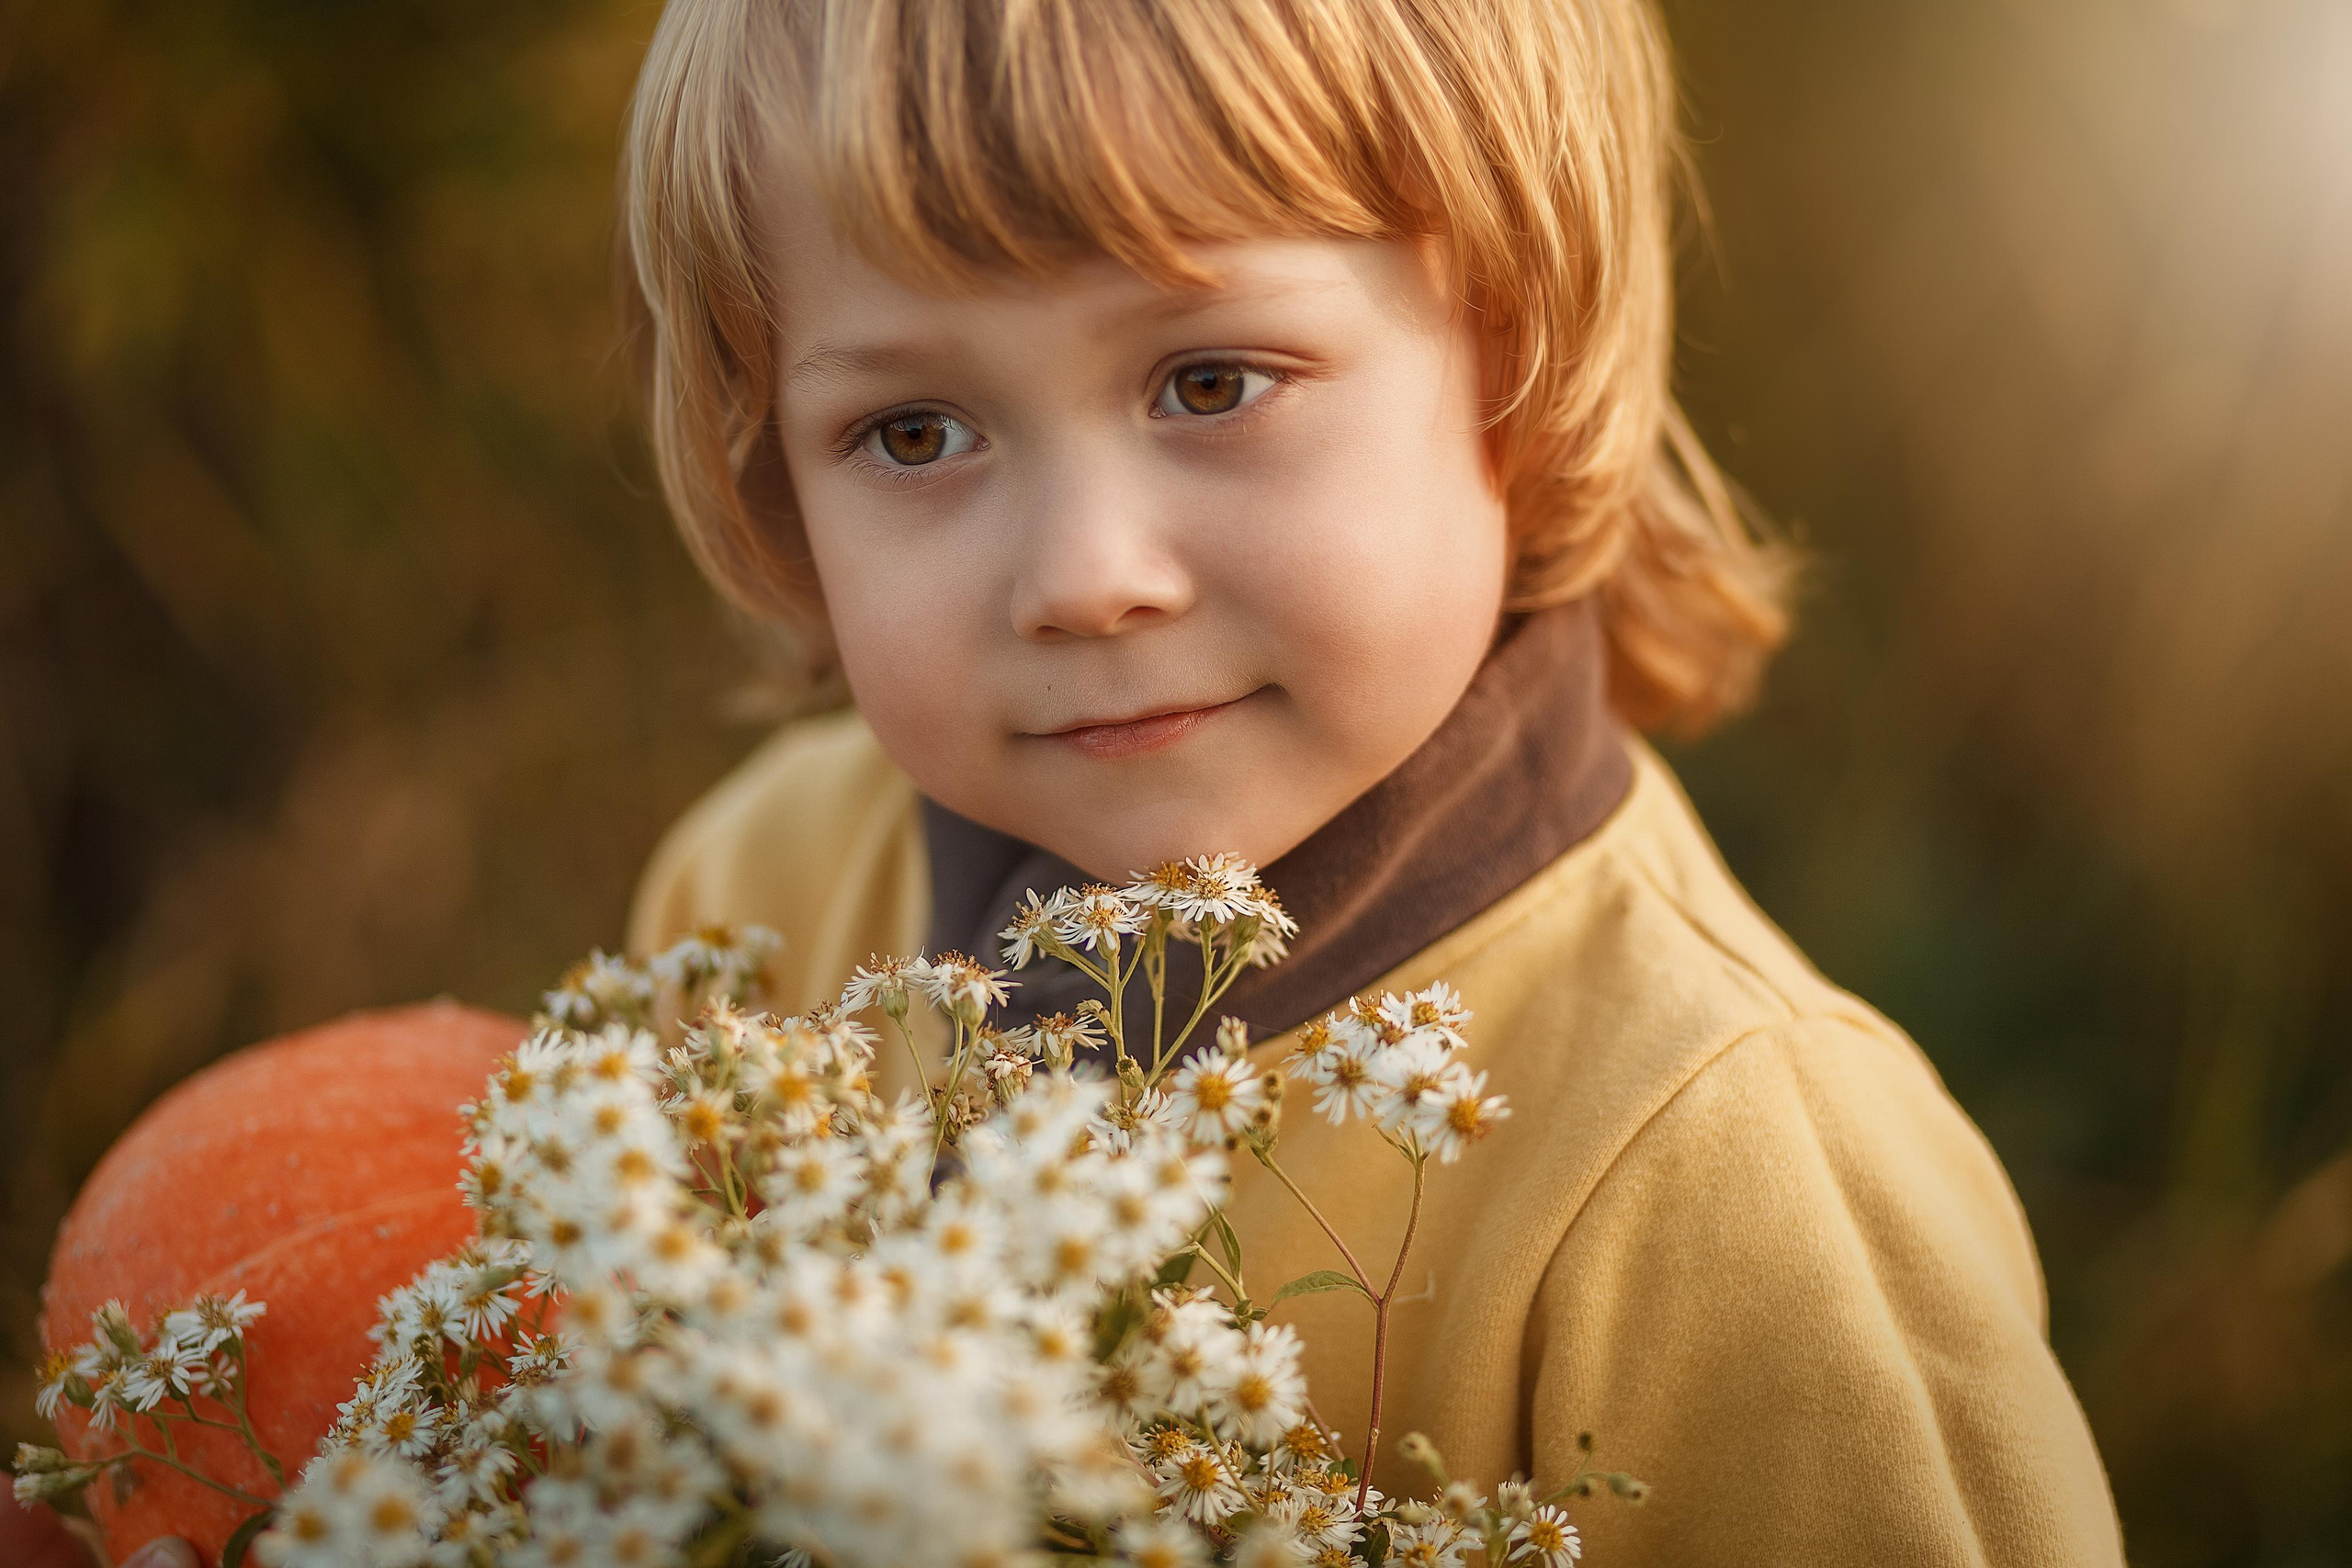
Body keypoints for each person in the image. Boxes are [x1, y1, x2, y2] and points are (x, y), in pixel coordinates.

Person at [613, 1, 2129, 1563]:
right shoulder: (759, 902)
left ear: (1518, 352)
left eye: (1209, 383)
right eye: (913, 431)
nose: (1082, 578)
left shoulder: (1737, 1184)